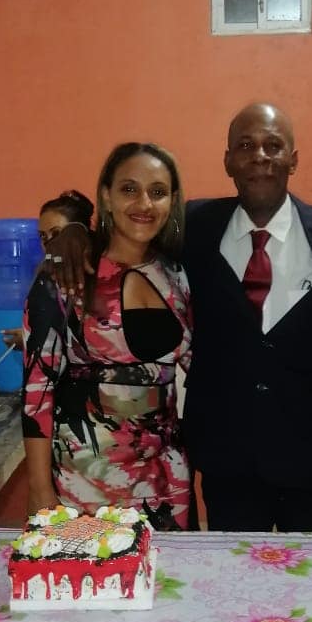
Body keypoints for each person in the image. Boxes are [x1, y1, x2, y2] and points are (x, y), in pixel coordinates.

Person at [45, 103, 312, 534]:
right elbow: (131, 229)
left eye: (273, 145)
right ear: (228, 160)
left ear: (293, 159)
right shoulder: (195, 227)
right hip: (227, 460)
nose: (260, 156)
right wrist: (75, 232)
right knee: (229, 569)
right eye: (246, 146)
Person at [21, 142, 192, 528]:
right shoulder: (65, 276)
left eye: (158, 192)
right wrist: (39, 489)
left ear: (172, 201)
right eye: (129, 189)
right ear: (106, 196)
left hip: (168, 479)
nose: (144, 203)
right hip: (87, 481)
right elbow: (36, 391)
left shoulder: (176, 275)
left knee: (170, 567)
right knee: (95, 567)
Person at [2, 189, 94, 351]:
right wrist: (28, 335)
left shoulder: (94, 277)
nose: (48, 243)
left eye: (57, 233)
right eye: (43, 236)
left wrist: (31, 339)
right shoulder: (45, 273)